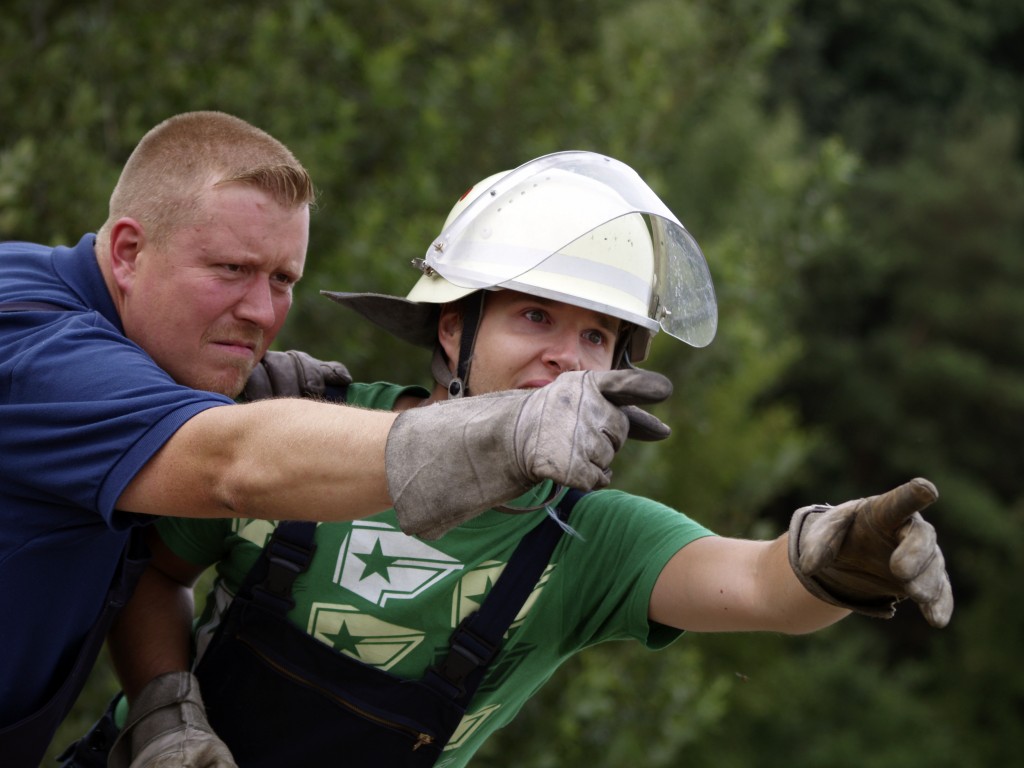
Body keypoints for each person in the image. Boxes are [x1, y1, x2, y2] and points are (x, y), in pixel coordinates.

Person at [88, 151, 953, 768]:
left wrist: (833, 556)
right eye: (534, 318)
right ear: (455, 329)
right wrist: (165, 715)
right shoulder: (309, 427)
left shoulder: (591, 542)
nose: (566, 358)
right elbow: (154, 574)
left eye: (597, 336)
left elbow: (765, 590)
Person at [0, 119, 669, 768]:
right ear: (126, 252)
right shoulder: (36, 345)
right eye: (231, 268)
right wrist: (505, 433)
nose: (263, 313)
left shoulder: (90, 343)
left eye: (283, 280)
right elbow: (229, 466)